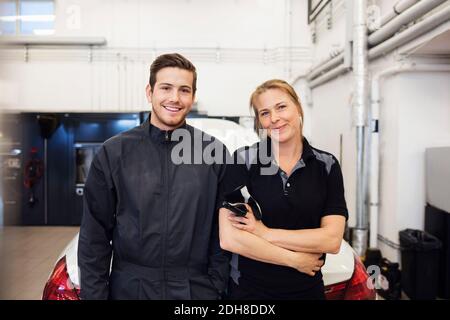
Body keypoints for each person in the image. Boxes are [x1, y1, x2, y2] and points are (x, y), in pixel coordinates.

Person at [78, 53, 230, 300]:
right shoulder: (115, 152)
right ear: (150, 92)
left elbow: (222, 231)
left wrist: (214, 286)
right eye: (166, 88)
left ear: (192, 97)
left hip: (195, 290)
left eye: (184, 90)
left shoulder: (213, 153)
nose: (174, 98)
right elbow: (94, 236)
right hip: (130, 289)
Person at [219, 79, 348, 300]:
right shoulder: (243, 161)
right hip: (250, 292)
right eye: (265, 113)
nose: (274, 119)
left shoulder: (326, 165)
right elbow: (231, 239)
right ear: (259, 121)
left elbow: (331, 240)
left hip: (307, 292)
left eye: (281, 107)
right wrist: (294, 260)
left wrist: (264, 232)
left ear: (297, 107)